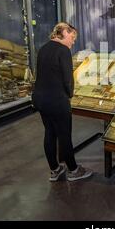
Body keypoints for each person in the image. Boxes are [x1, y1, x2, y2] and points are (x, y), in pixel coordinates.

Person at [32, 22, 93, 182]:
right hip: (56, 100)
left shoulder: (44, 48)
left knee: (50, 133)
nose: (73, 42)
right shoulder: (63, 50)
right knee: (64, 135)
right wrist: (70, 95)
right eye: (72, 37)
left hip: (40, 99)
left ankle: (55, 169)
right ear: (64, 32)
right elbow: (68, 79)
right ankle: (73, 170)